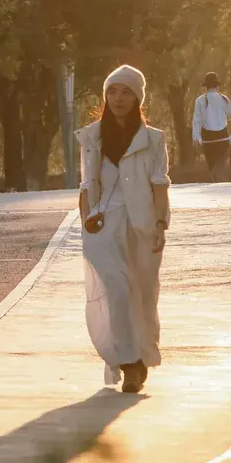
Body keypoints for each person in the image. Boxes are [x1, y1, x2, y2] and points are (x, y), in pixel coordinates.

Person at [75, 65, 170, 394]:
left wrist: (160, 224)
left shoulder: (154, 140)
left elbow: (160, 185)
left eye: (126, 92)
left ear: (138, 98)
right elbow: (86, 185)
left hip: (143, 225)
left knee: (143, 293)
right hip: (104, 227)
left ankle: (142, 358)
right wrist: (86, 222)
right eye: (112, 91)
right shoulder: (91, 137)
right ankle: (128, 363)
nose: (118, 98)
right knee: (116, 289)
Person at [192, 72, 231, 182]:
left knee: (212, 165)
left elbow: (196, 120)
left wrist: (196, 137)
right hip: (222, 137)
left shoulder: (199, 100)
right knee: (221, 162)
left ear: (206, 86)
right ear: (217, 85)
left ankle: (215, 181)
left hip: (207, 139)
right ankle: (217, 180)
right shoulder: (223, 99)